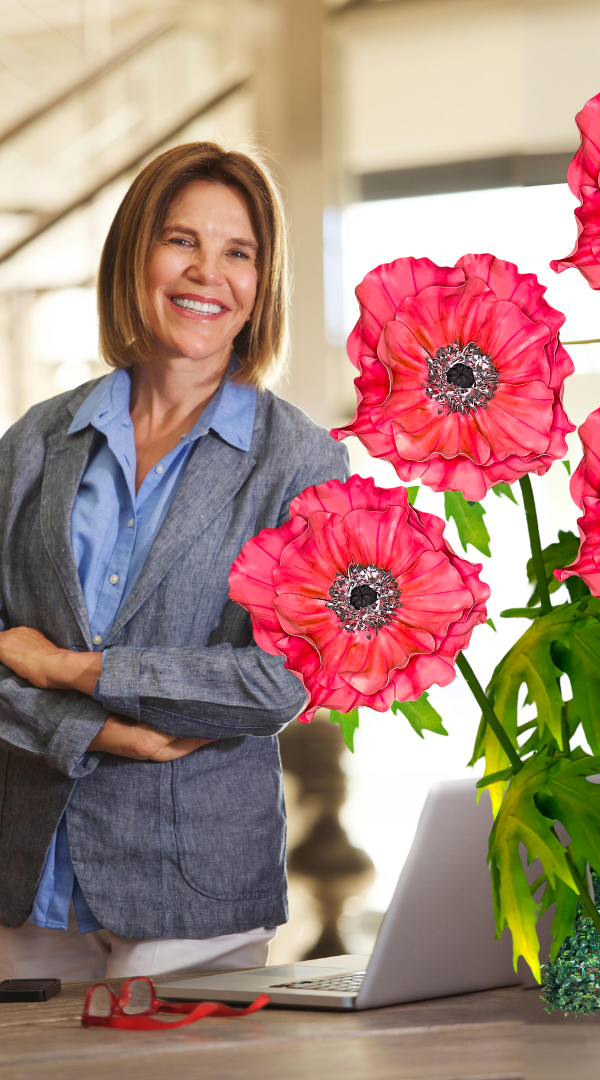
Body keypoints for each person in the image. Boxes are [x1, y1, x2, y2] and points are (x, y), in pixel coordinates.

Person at [0, 142, 348, 979]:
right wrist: (100, 729)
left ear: (262, 284)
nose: (208, 273)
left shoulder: (302, 463)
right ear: (136, 254)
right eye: (181, 240)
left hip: (192, 896)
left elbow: (278, 681)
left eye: (240, 252)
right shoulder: (36, 441)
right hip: (21, 879)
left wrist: (75, 669)